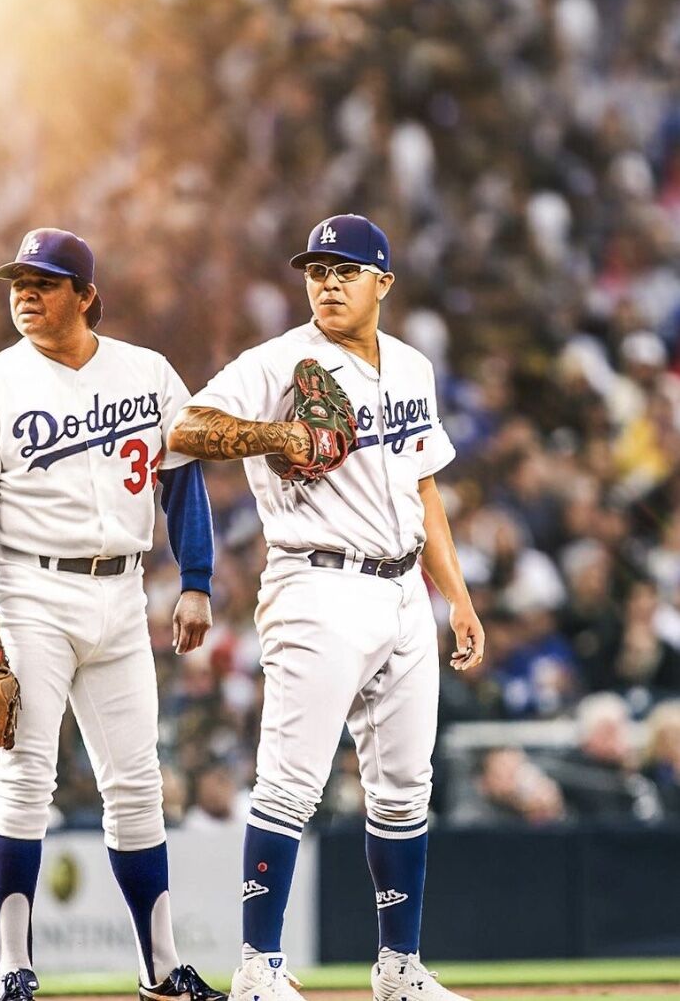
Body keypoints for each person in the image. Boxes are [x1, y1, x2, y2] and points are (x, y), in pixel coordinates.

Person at [169, 214, 486, 1001]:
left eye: (346, 270)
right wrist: (276, 435)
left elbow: (425, 490)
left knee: (407, 789)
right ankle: (257, 968)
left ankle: (399, 970)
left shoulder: (412, 366)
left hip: (405, 589)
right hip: (316, 582)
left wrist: (459, 599)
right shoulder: (282, 360)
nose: (328, 283)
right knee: (288, 786)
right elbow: (185, 425)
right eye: (316, 270)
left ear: (383, 282)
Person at [0, 229, 225, 1001]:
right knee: (25, 775)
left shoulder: (148, 372)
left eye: (45, 282)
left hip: (124, 592)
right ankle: (12, 969)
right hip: (30, 592)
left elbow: (183, 479)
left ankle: (160, 968)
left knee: (137, 784)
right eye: (18, 283)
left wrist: (195, 578)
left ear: (87, 294)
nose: (25, 294)